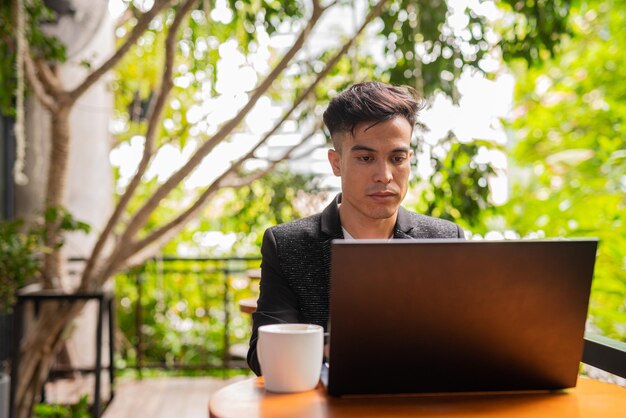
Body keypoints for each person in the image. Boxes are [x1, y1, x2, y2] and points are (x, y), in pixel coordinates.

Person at [247, 81, 464, 375]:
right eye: (365, 158)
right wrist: (347, 345)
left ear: (409, 160)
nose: (385, 175)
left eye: (397, 158)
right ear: (336, 163)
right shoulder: (288, 245)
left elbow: (462, 345)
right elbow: (262, 356)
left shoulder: (444, 239)